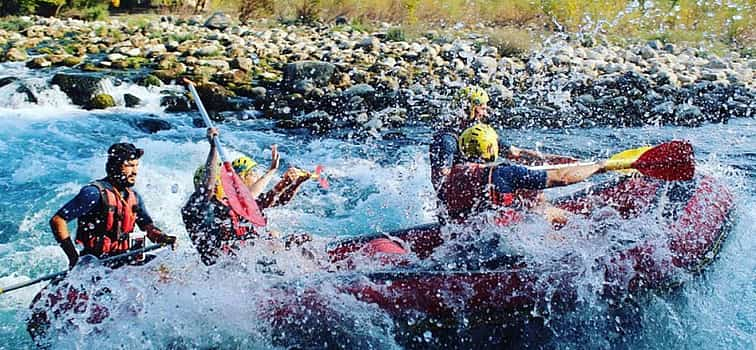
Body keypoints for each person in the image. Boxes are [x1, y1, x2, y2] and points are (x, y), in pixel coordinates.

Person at [182, 128, 313, 266]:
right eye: (218, 180)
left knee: (299, 241)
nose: (222, 183)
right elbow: (207, 189)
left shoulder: (232, 204)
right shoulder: (192, 210)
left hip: (247, 261)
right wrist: (213, 148)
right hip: (223, 268)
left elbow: (274, 200)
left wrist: (294, 182)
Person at [439, 123, 606, 226]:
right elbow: (563, 178)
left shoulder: (450, 177)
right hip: (501, 238)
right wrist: (599, 166)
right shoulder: (505, 173)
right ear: (491, 148)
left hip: (466, 238)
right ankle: (584, 234)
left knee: (532, 196)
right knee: (545, 210)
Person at [49, 142, 176, 269]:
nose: (135, 172)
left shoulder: (134, 197)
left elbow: (147, 227)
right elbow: (58, 220)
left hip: (124, 259)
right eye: (129, 166)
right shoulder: (94, 193)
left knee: (165, 267)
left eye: (136, 166)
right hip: (97, 263)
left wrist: (162, 237)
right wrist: (73, 258)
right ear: (115, 166)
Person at [429, 85, 568, 193]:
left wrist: (555, 161)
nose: (485, 113)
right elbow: (440, 180)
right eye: (482, 109)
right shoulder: (446, 140)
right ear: (469, 108)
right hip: (459, 200)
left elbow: (515, 153)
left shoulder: (480, 132)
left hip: (479, 189)